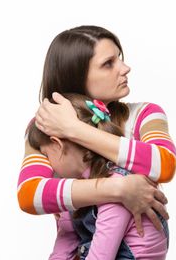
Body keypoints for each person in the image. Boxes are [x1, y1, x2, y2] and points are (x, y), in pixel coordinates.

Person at [17, 25, 176, 240]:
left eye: (119, 58)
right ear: (76, 77)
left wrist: (74, 129)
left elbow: (164, 164)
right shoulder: (45, 124)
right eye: (108, 64)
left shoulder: (145, 114)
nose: (125, 68)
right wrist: (118, 189)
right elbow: (29, 195)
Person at [27, 93, 168, 260]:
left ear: (57, 145)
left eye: (46, 155)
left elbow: (101, 256)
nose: (49, 166)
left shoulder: (118, 188)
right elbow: (66, 240)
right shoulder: (75, 188)